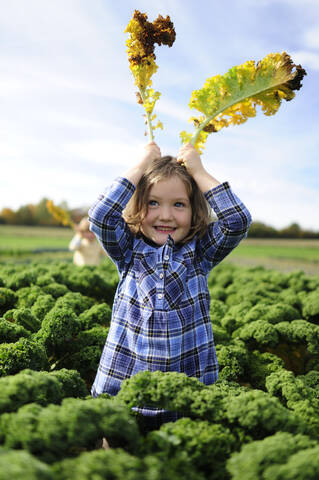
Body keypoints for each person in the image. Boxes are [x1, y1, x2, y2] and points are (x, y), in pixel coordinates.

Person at [89, 141, 252, 427]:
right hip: (121, 391)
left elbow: (237, 221)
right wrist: (141, 166)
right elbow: (101, 215)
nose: (165, 215)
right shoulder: (128, 250)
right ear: (138, 206)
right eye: (153, 202)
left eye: (179, 204)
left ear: (194, 210)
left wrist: (199, 172)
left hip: (186, 395)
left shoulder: (201, 253)